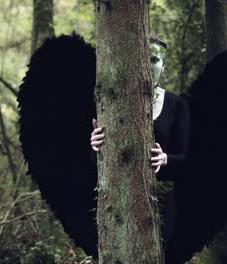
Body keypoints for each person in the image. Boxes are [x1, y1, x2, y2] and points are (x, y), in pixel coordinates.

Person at [90, 34, 191, 261]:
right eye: (143, 58)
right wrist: (95, 146)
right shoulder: (114, 101)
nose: (148, 64)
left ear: (163, 66)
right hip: (120, 199)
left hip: (162, 201)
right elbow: (92, 163)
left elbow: (187, 157)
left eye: (154, 59)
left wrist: (167, 158)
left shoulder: (177, 104)